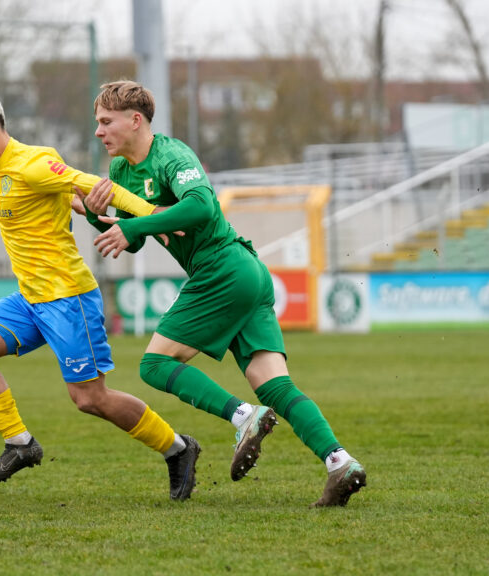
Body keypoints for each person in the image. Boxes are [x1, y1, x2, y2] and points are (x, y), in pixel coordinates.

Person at [77, 80, 366, 507]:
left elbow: (202, 207)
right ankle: (340, 462)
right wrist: (96, 216)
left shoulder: (171, 156)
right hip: (242, 272)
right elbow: (133, 240)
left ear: (135, 120)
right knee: (273, 385)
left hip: (222, 266)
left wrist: (133, 224)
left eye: (105, 122)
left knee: (155, 364)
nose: (98, 132)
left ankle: (242, 416)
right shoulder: (120, 172)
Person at [0, 85, 201, 500]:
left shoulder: (33, 164)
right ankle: (20, 444)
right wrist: (76, 204)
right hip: (29, 299)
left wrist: (155, 215)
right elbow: (69, 198)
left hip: (68, 299)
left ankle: (179, 449)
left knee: (89, 399)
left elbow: (97, 186)